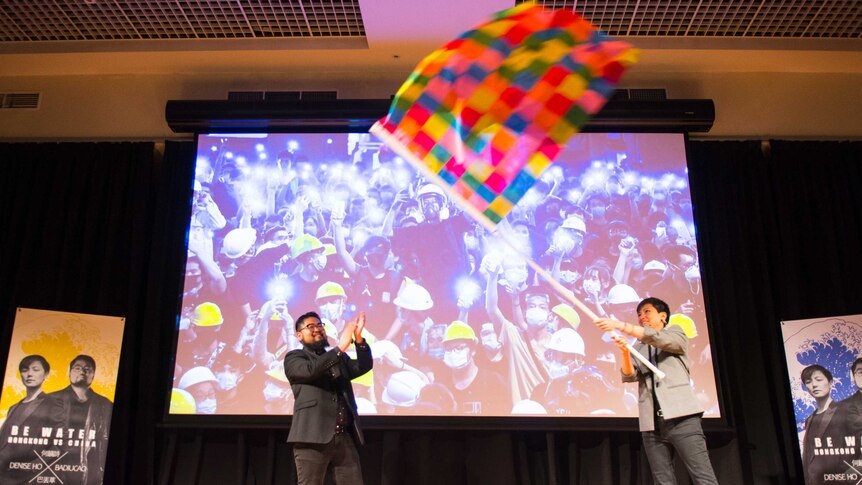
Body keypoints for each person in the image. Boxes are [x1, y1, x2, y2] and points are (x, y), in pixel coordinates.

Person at [595, 297, 718, 484]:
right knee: (662, 480)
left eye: (647, 312)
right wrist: (624, 352)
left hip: (682, 418)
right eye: (639, 314)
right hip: (652, 425)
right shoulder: (638, 346)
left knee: (703, 476)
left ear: (663, 316)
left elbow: (659, 339)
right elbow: (629, 376)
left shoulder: (675, 332)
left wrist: (620, 325)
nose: (642, 316)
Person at [284, 311, 373, 485]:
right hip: (312, 437)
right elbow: (311, 370)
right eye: (311, 326)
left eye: (320, 325)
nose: (317, 329)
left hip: (343, 437)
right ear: (299, 335)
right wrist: (339, 348)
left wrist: (359, 339)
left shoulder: (338, 358)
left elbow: (363, 366)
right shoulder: (295, 357)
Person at [48, 355, 113, 485]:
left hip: (91, 473)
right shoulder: (49, 400)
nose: (82, 372)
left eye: (87, 369)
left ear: (93, 375)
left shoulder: (106, 405)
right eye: (77, 368)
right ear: (69, 372)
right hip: (53, 469)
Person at [800, 364, 861, 484]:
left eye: (818, 379)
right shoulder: (809, 419)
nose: (814, 385)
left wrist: (847, 480)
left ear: (830, 382)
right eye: (808, 381)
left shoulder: (846, 410)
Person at [0, 355, 55, 484]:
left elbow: (57, 446)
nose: (29, 374)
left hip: (25, 477)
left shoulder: (53, 404)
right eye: (25, 370)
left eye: (35, 370)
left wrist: (30, 470)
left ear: (46, 374)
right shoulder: (13, 407)